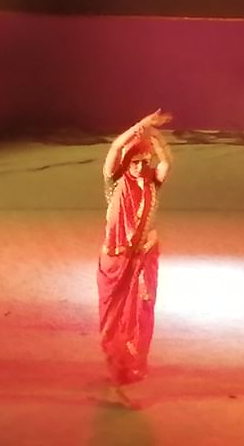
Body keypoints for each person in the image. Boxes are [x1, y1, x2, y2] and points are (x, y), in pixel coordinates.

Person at [97, 109, 173, 406]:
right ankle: (116, 383)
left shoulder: (154, 183)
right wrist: (140, 125)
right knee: (114, 323)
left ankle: (121, 375)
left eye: (144, 162)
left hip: (143, 261)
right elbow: (116, 148)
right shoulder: (114, 183)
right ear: (126, 164)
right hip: (116, 264)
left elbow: (166, 161)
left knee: (138, 317)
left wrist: (154, 137)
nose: (140, 167)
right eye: (135, 162)